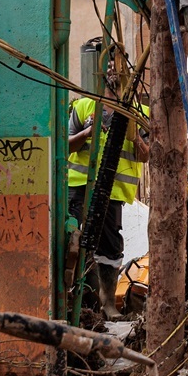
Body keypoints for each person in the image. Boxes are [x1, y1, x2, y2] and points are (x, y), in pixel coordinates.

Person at [66, 59, 146, 318]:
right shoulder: (82, 107)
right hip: (79, 188)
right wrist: (88, 132)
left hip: (113, 192)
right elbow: (66, 145)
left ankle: (107, 303)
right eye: (108, 68)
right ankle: (83, 304)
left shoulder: (138, 112)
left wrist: (134, 137)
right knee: (75, 242)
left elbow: (146, 155)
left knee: (109, 248)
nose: (113, 74)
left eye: (117, 69)